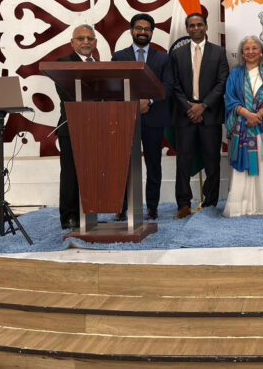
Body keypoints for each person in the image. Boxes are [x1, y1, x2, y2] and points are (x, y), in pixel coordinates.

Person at [111, 13, 173, 221]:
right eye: (139, 28)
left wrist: (149, 101)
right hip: (126, 118)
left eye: (147, 29)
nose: (143, 32)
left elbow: (168, 86)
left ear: (152, 33)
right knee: (124, 165)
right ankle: (121, 208)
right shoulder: (119, 57)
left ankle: (152, 208)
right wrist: (134, 103)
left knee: (153, 164)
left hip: (154, 119)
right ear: (131, 30)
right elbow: (114, 86)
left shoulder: (163, 58)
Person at [171, 13, 229, 217]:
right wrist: (190, 108)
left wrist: (203, 106)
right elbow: (174, 84)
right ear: (187, 29)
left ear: (206, 26)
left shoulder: (219, 52)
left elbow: (222, 82)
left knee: (212, 162)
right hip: (185, 116)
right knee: (183, 163)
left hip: (209, 116)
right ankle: (183, 205)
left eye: (199, 24)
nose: (196, 28)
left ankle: (210, 204)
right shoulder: (177, 54)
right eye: (192, 25)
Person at [223, 36, 263, 217]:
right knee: (242, 172)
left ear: (261, 52)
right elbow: (230, 99)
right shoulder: (235, 74)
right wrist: (247, 115)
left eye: (254, 48)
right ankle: (240, 208)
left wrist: (259, 115)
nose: (250, 52)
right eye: (247, 49)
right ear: (242, 53)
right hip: (242, 126)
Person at [55, 24, 98, 230]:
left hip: (97, 127)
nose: (86, 42)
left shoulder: (101, 66)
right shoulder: (63, 64)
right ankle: (69, 216)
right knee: (70, 173)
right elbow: (67, 93)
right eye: (81, 38)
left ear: (95, 42)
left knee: (93, 172)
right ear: (72, 43)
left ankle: (89, 213)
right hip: (71, 126)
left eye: (90, 38)